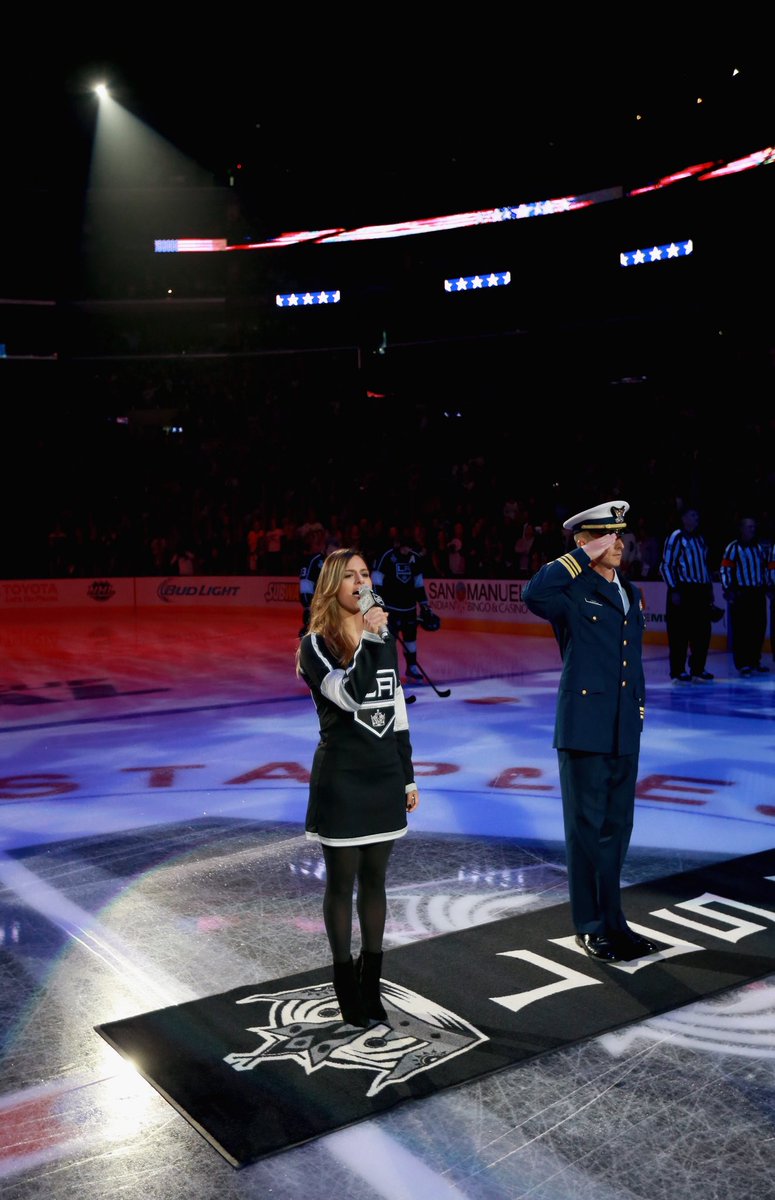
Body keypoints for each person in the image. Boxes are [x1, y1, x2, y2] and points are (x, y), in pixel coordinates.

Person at [523, 500, 657, 964]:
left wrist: (638, 711)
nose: (617, 543)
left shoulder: (631, 591)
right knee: (585, 831)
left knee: (617, 829)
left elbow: (631, 663)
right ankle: (590, 925)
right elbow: (532, 593)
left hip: (623, 728)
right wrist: (581, 556)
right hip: (583, 728)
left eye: (619, 535)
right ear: (583, 541)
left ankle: (616, 922)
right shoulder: (569, 592)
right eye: (605, 535)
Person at [296, 547, 420, 1026]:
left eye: (364, 573)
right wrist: (370, 638)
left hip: (383, 774)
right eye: (348, 575)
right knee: (342, 883)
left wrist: (407, 774)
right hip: (343, 780)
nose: (359, 581)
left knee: (376, 882)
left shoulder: (381, 635)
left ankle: (373, 982)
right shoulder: (315, 645)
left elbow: (397, 711)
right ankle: (345, 981)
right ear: (331, 585)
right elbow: (350, 695)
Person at [372, 528, 440, 683]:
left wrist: (424, 605)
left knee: (410, 638)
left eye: (410, 547)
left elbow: (418, 584)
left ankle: (412, 667)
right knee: (388, 640)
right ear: (399, 545)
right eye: (405, 546)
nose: (408, 550)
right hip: (391, 608)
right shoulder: (387, 557)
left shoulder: (414, 559)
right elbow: (376, 580)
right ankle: (384, 670)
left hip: (409, 608)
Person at [659, 507, 716, 682]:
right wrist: (674, 589)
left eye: (697, 514)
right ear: (684, 518)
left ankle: (698, 668)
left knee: (702, 632)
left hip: (701, 590)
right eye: (693, 514)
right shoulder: (677, 537)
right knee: (679, 633)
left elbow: (704, 567)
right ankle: (678, 670)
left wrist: (710, 590)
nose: (696, 517)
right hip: (684, 589)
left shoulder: (700, 539)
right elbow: (666, 566)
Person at [720, 516, 771, 677]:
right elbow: (725, 570)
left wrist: (768, 586)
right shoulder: (733, 548)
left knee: (758, 627)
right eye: (749, 527)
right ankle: (743, 663)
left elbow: (766, 569)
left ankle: (755, 661)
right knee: (742, 629)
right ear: (741, 529)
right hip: (741, 593)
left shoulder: (760, 548)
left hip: (758, 592)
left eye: (754, 527)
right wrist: (729, 589)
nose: (752, 529)